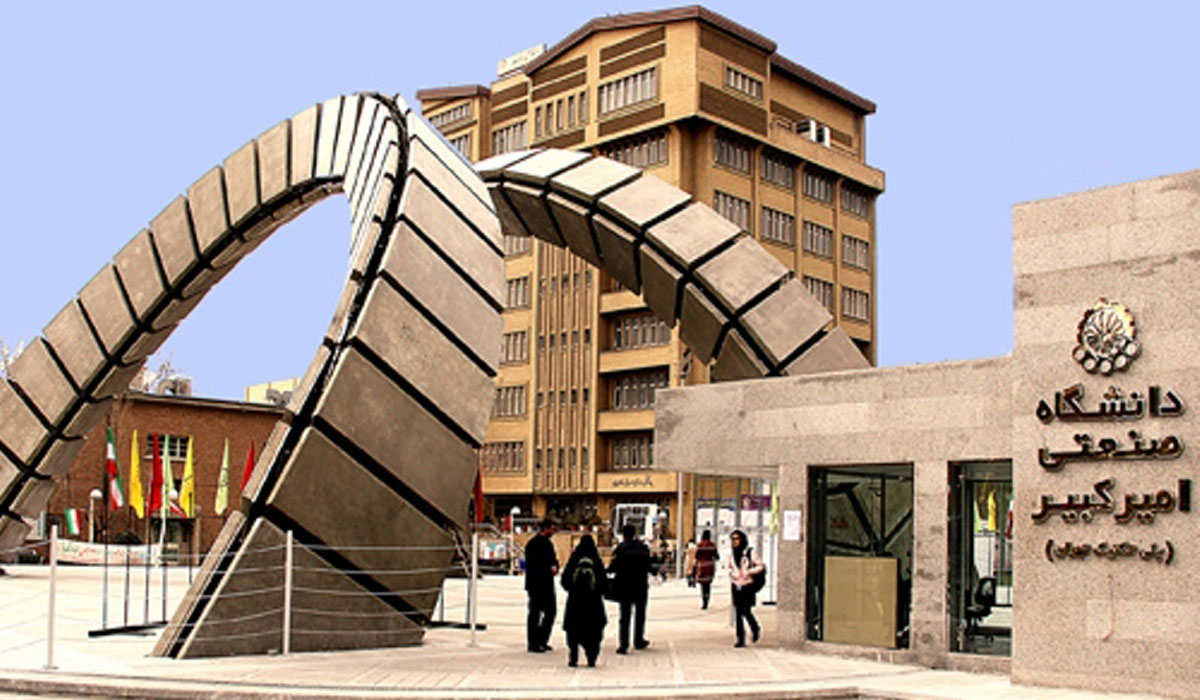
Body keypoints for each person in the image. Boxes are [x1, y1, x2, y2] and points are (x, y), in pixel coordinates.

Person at [560, 534, 607, 667]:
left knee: (573, 629)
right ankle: (591, 657)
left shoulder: (574, 559)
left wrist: (573, 589)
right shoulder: (596, 559)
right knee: (594, 629)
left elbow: (565, 580)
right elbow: (603, 582)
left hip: (575, 601)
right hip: (593, 602)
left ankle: (573, 657)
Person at [608, 524, 651, 654]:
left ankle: (624, 644)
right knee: (640, 614)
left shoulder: (620, 549)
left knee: (625, 616)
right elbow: (649, 566)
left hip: (625, 586)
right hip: (641, 585)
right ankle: (638, 640)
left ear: (624, 535)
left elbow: (613, 567)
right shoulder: (643, 548)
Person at [524, 518, 559, 653]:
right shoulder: (533, 544)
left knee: (551, 611)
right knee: (535, 613)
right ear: (546, 529)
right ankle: (533, 643)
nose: (553, 532)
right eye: (552, 529)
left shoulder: (548, 544)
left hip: (547, 583)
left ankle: (542, 639)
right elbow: (534, 565)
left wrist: (555, 566)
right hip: (536, 584)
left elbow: (553, 559)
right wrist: (548, 568)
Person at [727, 529, 764, 647]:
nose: (735, 541)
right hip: (736, 585)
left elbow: (761, 566)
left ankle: (755, 627)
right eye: (733, 539)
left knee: (746, 610)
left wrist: (749, 572)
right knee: (738, 612)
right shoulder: (731, 554)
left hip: (748, 586)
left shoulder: (750, 552)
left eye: (737, 539)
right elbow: (729, 567)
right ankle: (740, 638)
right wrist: (732, 574)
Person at [693, 529, 719, 609]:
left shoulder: (700, 545)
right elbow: (717, 556)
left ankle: (704, 601)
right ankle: (707, 600)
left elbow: (696, 556)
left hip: (702, 566)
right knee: (708, 585)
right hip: (710, 566)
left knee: (703, 585)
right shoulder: (712, 545)